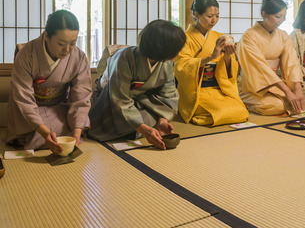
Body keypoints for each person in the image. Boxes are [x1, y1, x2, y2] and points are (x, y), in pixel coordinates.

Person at [88, 20, 186, 150]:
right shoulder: (123, 57)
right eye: (176, 49)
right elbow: (119, 99)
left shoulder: (166, 62)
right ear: (162, 49)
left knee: (152, 119)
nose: (178, 53)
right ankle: (137, 128)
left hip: (139, 99)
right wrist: (145, 130)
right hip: (109, 98)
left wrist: (163, 120)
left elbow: (169, 93)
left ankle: (139, 126)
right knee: (134, 122)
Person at [6, 10, 92, 154]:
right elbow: (23, 98)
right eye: (61, 43)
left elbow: (81, 97)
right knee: (45, 125)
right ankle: (42, 136)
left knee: (80, 122)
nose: (67, 49)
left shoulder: (79, 57)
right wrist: (44, 132)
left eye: (72, 43)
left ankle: (44, 138)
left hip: (58, 106)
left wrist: (76, 133)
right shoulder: (27, 54)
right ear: (46, 36)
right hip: (30, 109)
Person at [174, 0, 249, 126]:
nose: (214, 20)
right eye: (210, 16)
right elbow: (182, 67)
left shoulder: (220, 37)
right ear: (197, 15)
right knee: (220, 111)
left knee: (240, 111)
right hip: (197, 91)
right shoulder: (184, 39)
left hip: (218, 88)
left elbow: (229, 71)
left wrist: (227, 56)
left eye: (217, 16)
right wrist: (211, 57)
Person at [237, 0, 305, 116]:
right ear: (264, 14)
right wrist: (287, 92)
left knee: (297, 102)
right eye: (277, 16)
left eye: (283, 17)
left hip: (274, 83)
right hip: (252, 86)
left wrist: (298, 90)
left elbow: (292, 64)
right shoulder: (249, 36)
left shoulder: (283, 36)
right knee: (278, 105)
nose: (281, 20)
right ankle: (243, 100)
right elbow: (260, 67)